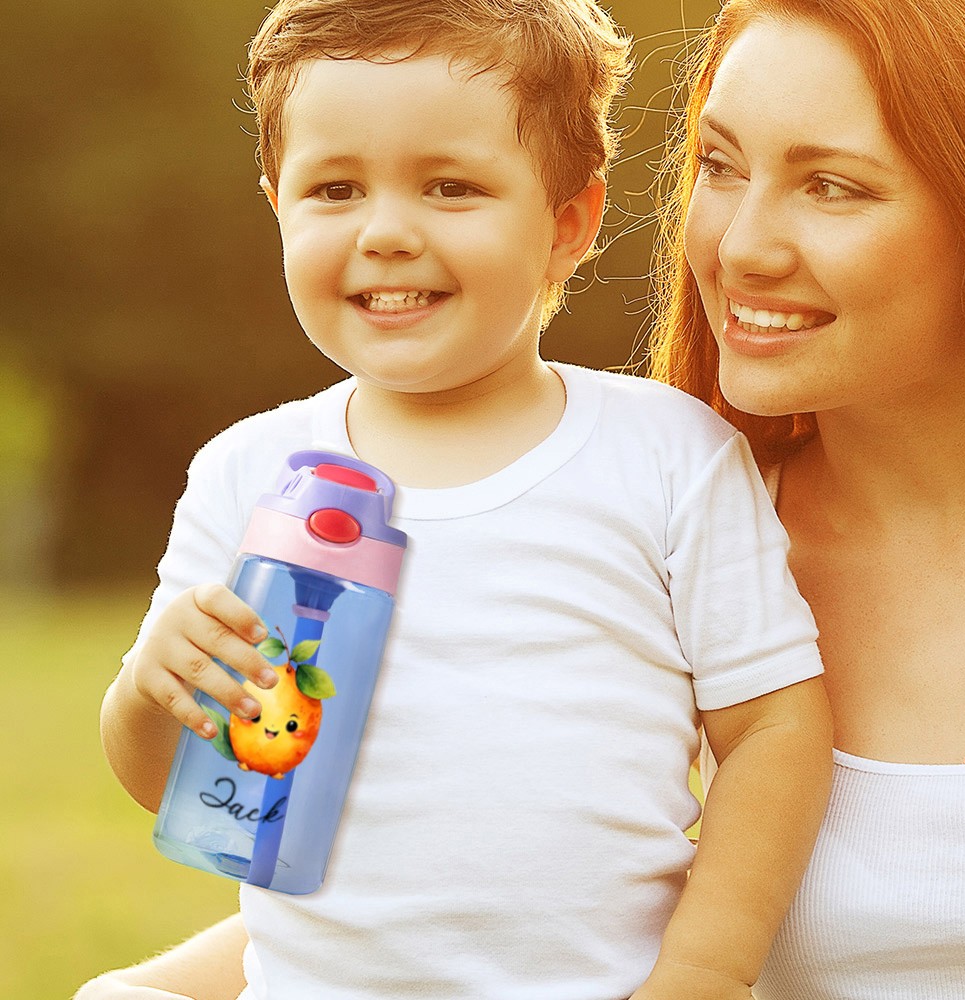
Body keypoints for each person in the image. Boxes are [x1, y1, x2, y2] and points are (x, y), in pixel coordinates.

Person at [87, 0, 834, 997]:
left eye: (449, 186)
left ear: (569, 223)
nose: (386, 232)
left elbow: (774, 734)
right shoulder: (247, 470)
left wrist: (701, 972)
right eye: (334, 188)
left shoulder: (665, 454)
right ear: (278, 206)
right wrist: (149, 685)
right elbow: (170, 783)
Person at [647, 0, 965, 996]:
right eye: (719, 167)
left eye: (831, 187)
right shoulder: (656, 555)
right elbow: (428, 900)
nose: (741, 245)